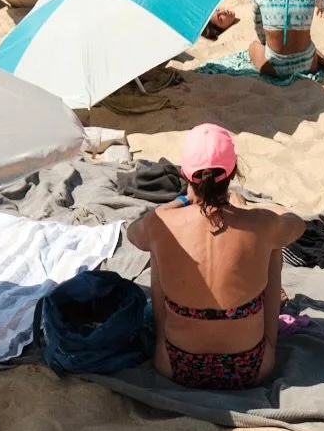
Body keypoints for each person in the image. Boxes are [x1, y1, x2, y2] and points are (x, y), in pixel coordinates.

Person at [125, 123, 303, 391]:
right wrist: (247, 208)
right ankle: (270, 342)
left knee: (159, 247)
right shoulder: (261, 224)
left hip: (176, 365)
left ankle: (162, 339)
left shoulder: (160, 223)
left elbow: (133, 232)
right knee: (272, 246)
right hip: (251, 368)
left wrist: (182, 202)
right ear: (232, 171)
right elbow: (296, 222)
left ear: (186, 174)